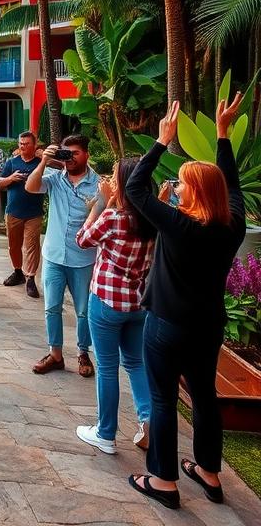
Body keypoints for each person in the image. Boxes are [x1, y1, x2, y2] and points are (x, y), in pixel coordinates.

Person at [125, 97, 246, 510]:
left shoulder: (178, 224)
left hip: (166, 326)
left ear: (193, 191)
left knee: (163, 400)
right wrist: (224, 136)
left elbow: (134, 188)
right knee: (204, 396)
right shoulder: (230, 227)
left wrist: (160, 142)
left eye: (180, 183)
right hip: (208, 326)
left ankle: (163, 481)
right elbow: (231, 187)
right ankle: (209, 474)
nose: (174, 188)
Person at [74, 157, 155, 456]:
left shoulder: (114, 217)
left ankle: (105, 433)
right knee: (135, 363)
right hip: (137, 303)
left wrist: (102, 204)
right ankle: (148, 420)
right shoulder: (151, 219)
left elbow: (82, 239)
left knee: (107, 367)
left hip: (107, 300)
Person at [26, 135, 100, 377]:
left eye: (75, 153)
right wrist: (44, 160)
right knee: (52, 308)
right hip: (54, 255)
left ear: (86, 154)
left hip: (83, 258)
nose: (70, 158)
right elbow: (31, 187)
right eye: (66, 153)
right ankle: (55, 354)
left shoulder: (98, 184)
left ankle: (82, 353)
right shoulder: (56, 179)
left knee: (83, 310)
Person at [0, 132, 45, 298]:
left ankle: (31, 278)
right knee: (14, 246)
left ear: (34, 145)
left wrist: (45, 157)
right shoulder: (12, 162)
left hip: (34, 212)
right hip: (13, 211)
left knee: (32, 245)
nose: (22, 146)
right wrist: (11, 178)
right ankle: (18, 271)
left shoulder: (41, 163)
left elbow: (60, 168)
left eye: (26, 143)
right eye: (20, 143)